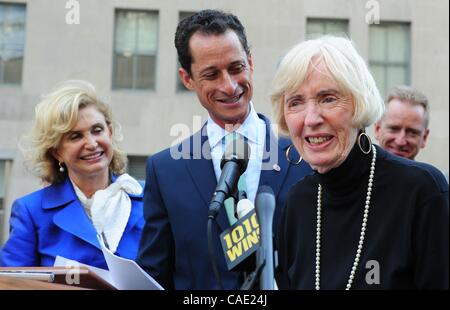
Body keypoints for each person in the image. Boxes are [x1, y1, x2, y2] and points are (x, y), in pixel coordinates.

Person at [136, 10, 311, 290]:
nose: (229, 86)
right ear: (187, 78)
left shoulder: (305, 155)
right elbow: (155, 277)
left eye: (236, 68)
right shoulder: (165, 171)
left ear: (251, 62)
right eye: (211, 74)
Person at [271, 36, 449, 289]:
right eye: (296, 102)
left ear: (359, 103)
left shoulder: (422, 192)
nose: (310, 119)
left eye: (327, 98)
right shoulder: (297, 203)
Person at [0, 80, 144, 269]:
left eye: (97, 130)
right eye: (75, 136)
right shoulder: (31, 211)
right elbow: (14, 285)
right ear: (56, 152)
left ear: (109, 132)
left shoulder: (152, 198)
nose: (92, 144)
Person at [374, 85, 430, 160]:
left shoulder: (430, 172)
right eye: (393, 129)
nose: (400, 142)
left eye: (412, 133)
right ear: (377, 129)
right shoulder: (355, 171)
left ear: (424, 138)